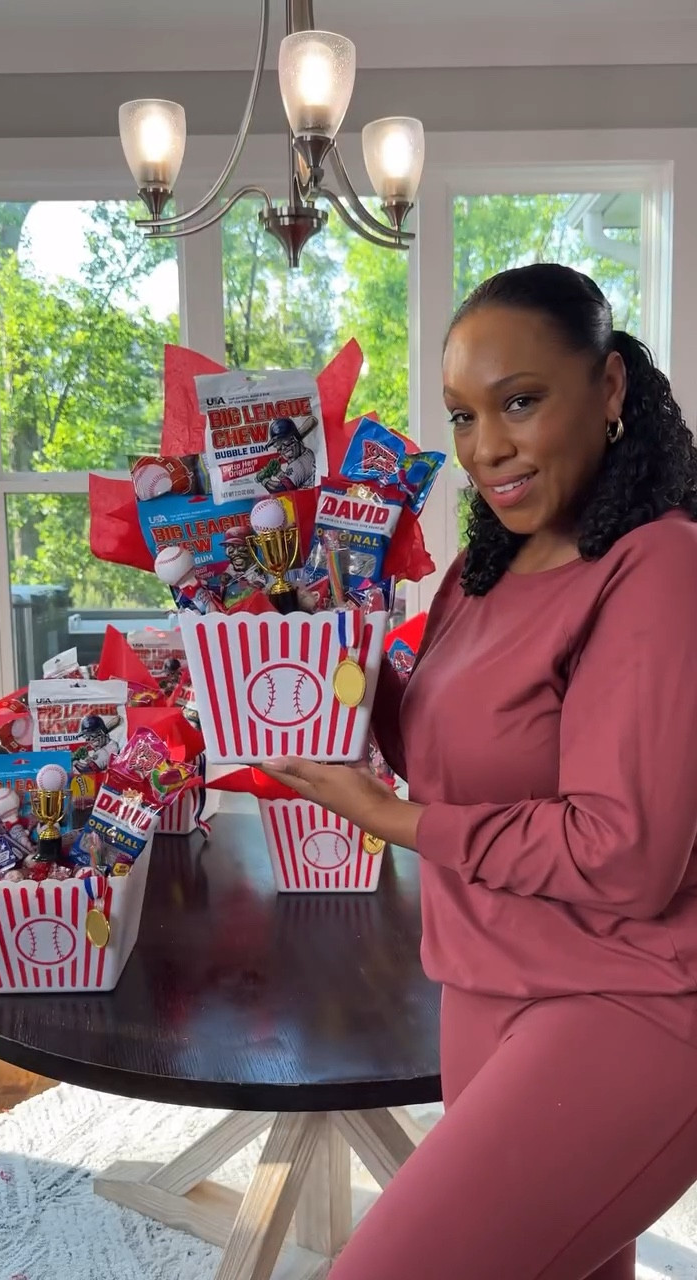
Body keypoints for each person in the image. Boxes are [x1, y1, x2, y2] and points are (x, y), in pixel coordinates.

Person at [261, 263, 697, 1280]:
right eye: (462, 416)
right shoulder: (480, 570)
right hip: (482, 982)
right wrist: (317, 672)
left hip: (626, 1002)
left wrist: (395, 821)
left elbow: (624, 853)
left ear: (613, 390)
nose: (486, 447)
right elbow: (449, 758)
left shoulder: (661, 566)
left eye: (521, 401)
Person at [262, 416, 316, 492]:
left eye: (284, 443)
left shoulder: (298, 464)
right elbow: (293, 479)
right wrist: (279, 473)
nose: (282, 449)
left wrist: (265, 481)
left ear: (294, 439)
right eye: (278, 446)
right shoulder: (307, 453)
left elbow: (282, 490)